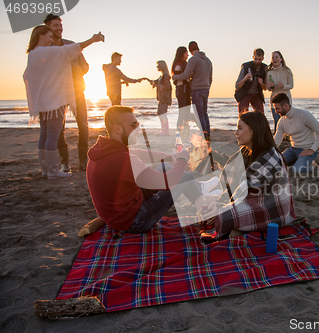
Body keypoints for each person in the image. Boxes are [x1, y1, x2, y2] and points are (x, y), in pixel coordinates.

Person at [86, 106, 212, 234]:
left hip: (118, 214)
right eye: (133, 124)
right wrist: (182, 159)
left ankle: (198, 189)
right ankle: (208, 215)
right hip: (135, 221)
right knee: (186, 178)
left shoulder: (104, 152)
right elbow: (170, 181)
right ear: (117, 128)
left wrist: (170, 157)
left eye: (138, 124)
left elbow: (140, 153)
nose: (138, 129)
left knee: (166, 167)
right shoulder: (125, 161)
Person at [200, 111, 296, 242]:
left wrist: (220, 210)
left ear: (253, 131)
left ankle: (233, 231)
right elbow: (230, 179)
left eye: (240, 128)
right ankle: (235, 230)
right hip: (252, 200)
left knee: (224, 215)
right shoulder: (246, 150)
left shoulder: (270, 157)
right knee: (210, 206)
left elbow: (244, 191)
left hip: (271, 209)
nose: (236, 133)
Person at [23, 25, 104, 179]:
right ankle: (53, 172)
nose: (51, 40)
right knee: (52, 136)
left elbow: (27, 76)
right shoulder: (46, 51)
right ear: (41, 36)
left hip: (43, 102)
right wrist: (93, 40)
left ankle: (46, 170)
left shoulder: (32, 54)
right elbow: (70, 49)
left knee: (44, 135)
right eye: (49, 36)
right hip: (54, 101)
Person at [44, 14, 90, 172]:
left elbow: (86, 66)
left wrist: (79, 69)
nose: (59, 28)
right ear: (48, 28)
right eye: (55, 25)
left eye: (60, 25)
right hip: (57, 94)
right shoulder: (45, 49)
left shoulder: (71, 45)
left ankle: (83, 161)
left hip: (77, 91)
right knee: (58, 129)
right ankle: (65, 163)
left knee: (83, 125)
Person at [272, 93, 319, 175]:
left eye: (277, 108)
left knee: (297, 171)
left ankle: (312, 165)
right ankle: (299, 161)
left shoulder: (303, 115)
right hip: (293, 149)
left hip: (307, 149)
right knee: (275, 165)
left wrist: (312, 150)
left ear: (286, 106)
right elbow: (276, 140)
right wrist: (269, 153)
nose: (276, 112)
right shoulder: (281, 121)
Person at [172, 41, 212, 142]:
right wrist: (207, 87)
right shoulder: (208, 60)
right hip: (206, 89)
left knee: (198, 114)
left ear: (190, 50)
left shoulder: (193, 60)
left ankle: (204, 135)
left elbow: (186, 75)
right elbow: (210, 78)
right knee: (204, 113)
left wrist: (174, 77)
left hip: (196, 90)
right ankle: (207, 133)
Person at [266, 51, 294, 132]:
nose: (274, 59)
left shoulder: (287, 71)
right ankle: (277, 141)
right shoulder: (269, 73)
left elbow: (291, 85)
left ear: (281, 59)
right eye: (273, 57)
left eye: (276, 57)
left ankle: (288, 137)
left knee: (287, 120)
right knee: (277, 121)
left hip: (285, 99)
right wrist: (270, 86)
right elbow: (268, 88)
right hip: (274, 100)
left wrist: (284, 86)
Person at [234, 48, 267, 114]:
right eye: (255, 59)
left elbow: (265, 88)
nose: (257, 61)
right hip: (244, 93)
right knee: (243, 115)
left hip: (257, 94)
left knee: (261, 115)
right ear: (253, 57)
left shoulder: (265, 68)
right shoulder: (246, 66)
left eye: (259, 59)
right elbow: (237, 86)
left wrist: (261, 83)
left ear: (263, 58)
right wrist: (245, 79)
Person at [146, 61, 172, 135]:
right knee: (160, 113)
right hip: (161, 98)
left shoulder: (166, 76)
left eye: (158, 66)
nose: (157, 68)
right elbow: (155, 82)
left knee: (162, 113)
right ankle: (163, 129)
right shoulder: (162, 76)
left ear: (161, 66)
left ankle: (166, 131)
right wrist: (148, 80)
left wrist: (157, 86)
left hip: (164, 98)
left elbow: (167, 87)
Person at [171, 46, 191, 143]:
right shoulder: (178, 65)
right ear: (182, 53)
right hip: (182, 92)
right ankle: (180, 136)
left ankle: (185, 136)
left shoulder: (185, 64)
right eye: (186, 52)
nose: (188, 54)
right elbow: (176, 81)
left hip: (186, 92)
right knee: (183, 114)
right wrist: (186, 78)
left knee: (186, 115)